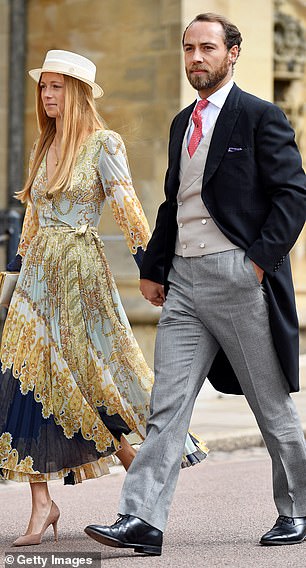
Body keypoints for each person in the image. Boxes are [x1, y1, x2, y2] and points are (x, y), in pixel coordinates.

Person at [84, 12, 306, 556]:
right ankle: (141, 520)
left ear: (232, 53)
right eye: (188, 49)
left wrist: (257, 262)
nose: (195, 59)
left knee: (270, 406)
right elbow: (173, 203)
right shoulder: (183, 121)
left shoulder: (261, 116)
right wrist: (155, 267)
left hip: (238, 278)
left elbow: (293, 195)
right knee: (167, 405)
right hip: (183, 282)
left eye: (206, 48)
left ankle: (298, 508)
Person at [0, 49, 208, 547]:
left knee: (85, 378)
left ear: (76, 91)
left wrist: (154, 271)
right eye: (43, 87)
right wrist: (10, 278)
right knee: (26, 379)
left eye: (56, 86)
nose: (47, 95)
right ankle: (42, 503)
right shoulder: (43, 147)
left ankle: (136, 471)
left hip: (80, 274)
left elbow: (131, 212)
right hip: (36, 282)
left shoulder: (104, 144)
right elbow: (30, 224)